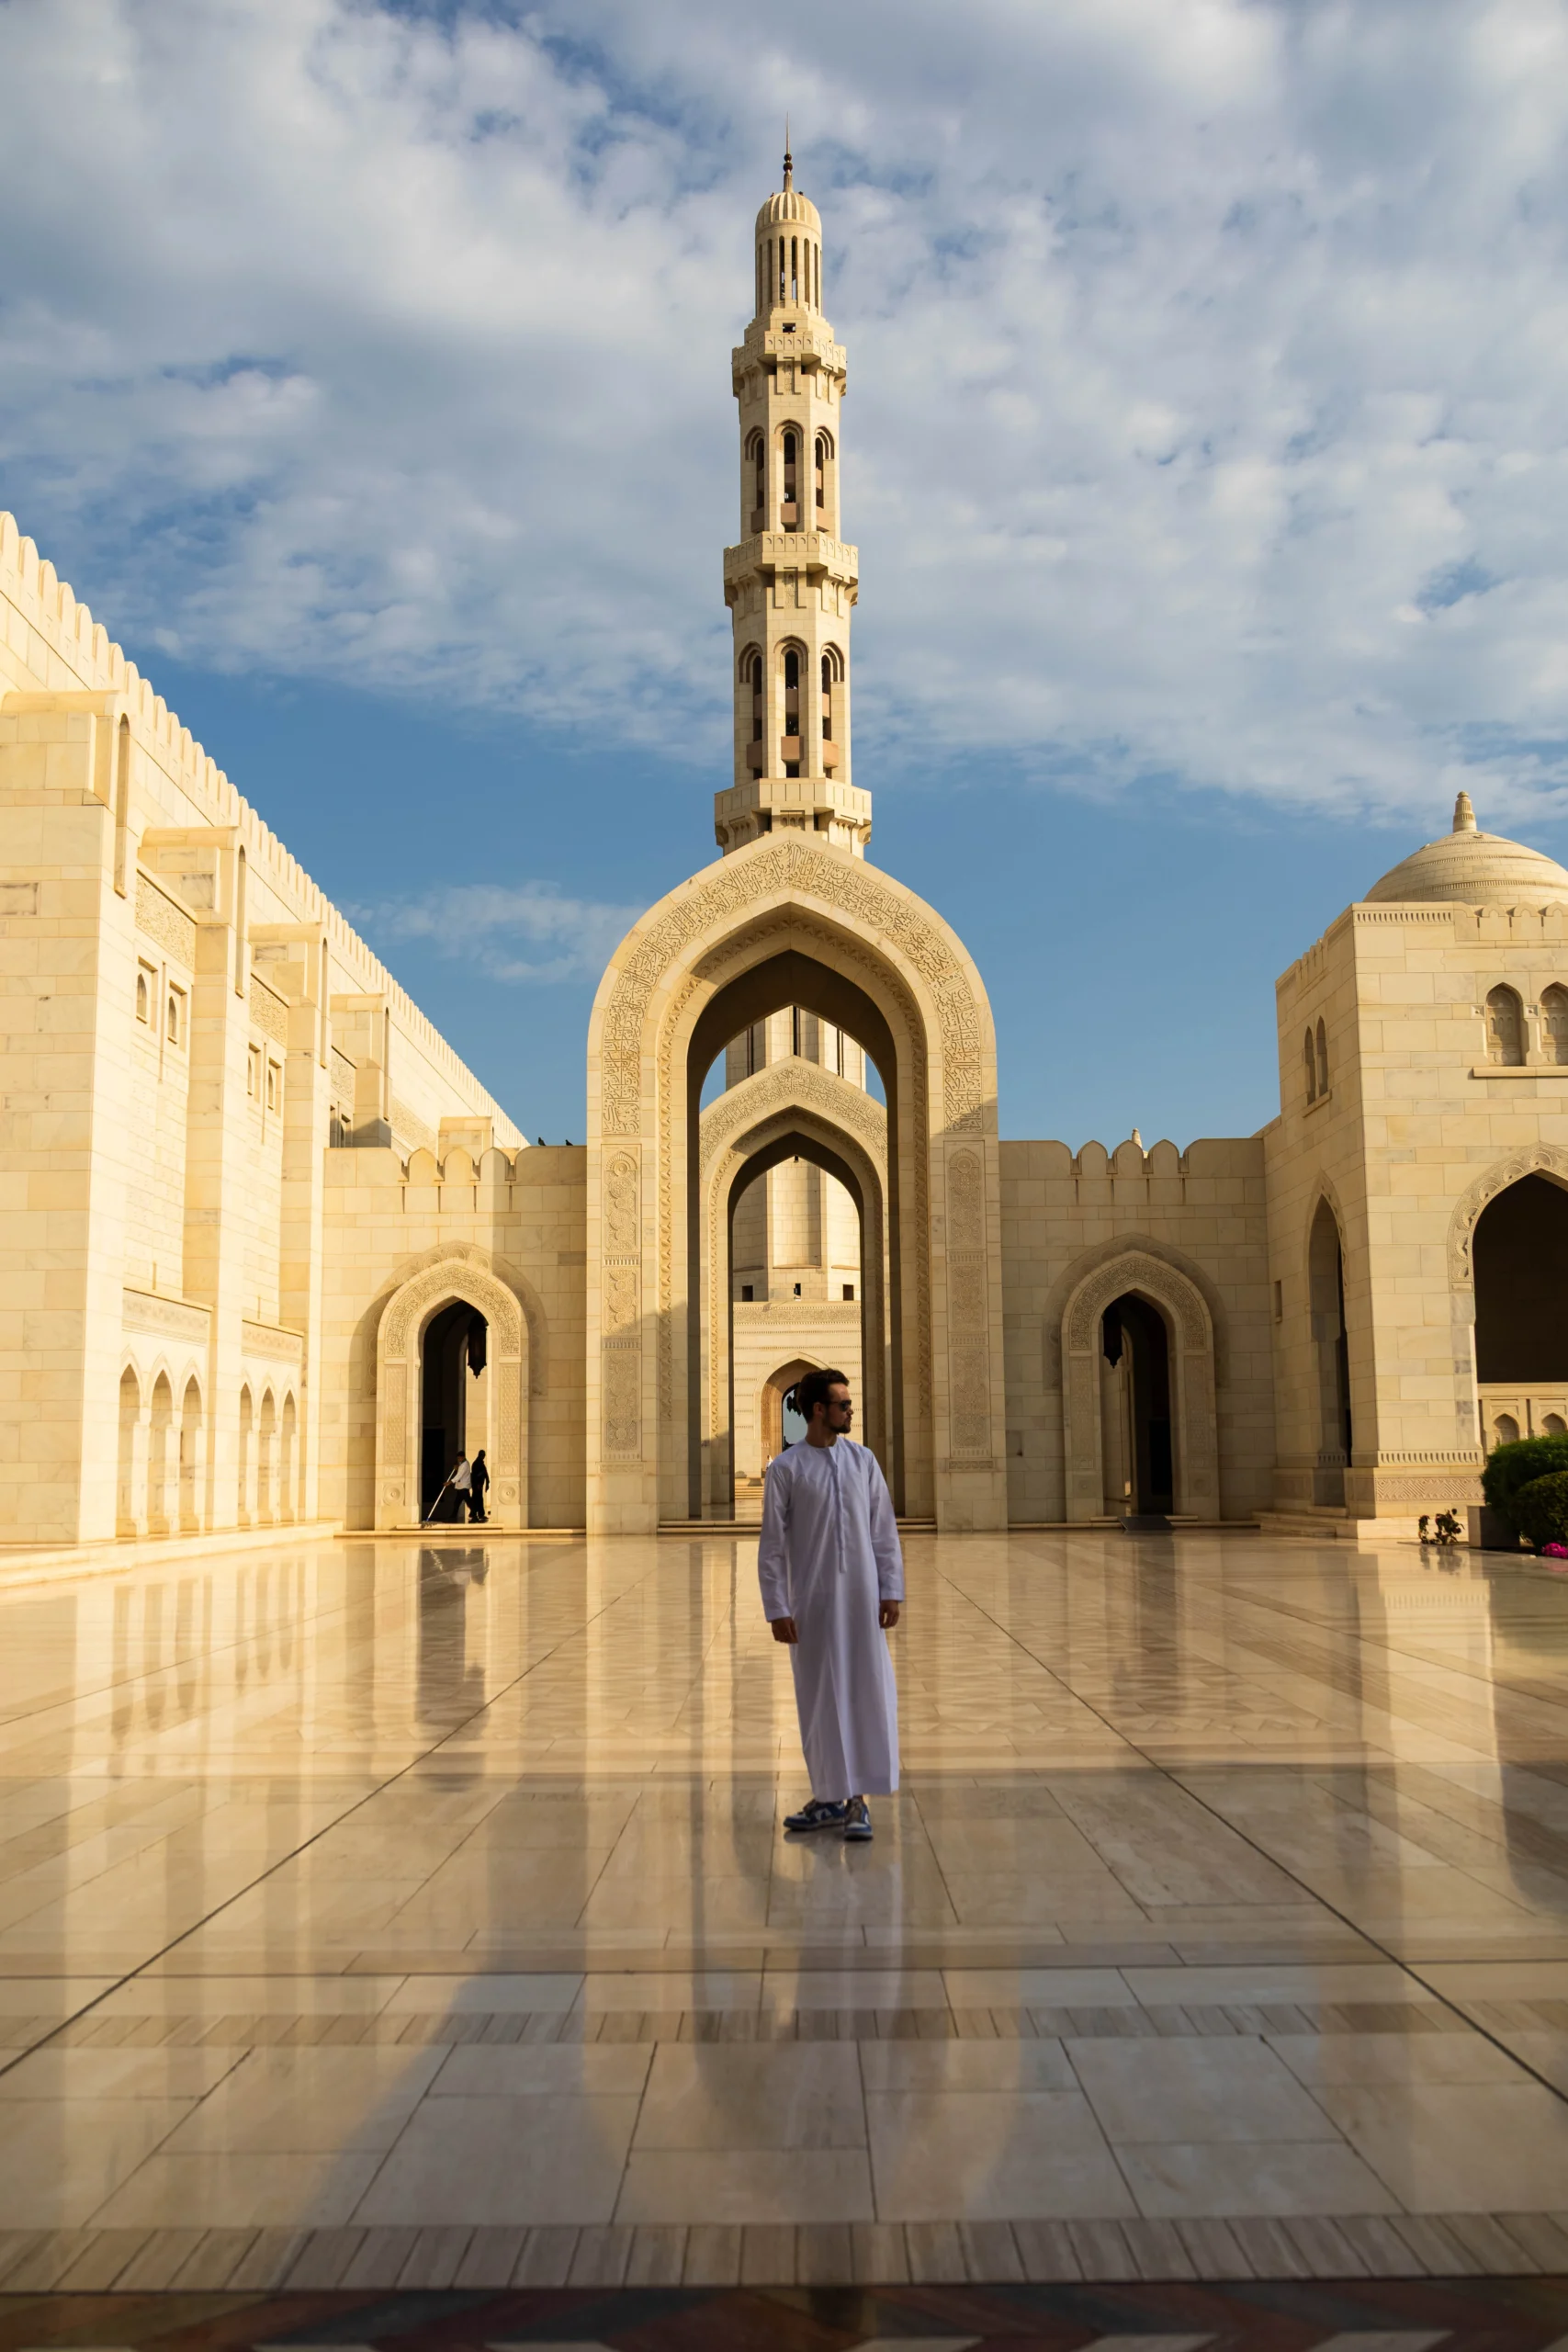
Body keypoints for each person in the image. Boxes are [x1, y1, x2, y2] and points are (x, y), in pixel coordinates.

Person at [757, 1366, 903, 1842]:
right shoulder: (786, 1469)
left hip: (862, 1604)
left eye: (849, 1404)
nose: (850, 1411)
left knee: (864, 1694)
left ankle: (858, 1801)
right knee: (820, 1701)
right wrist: (777, 1606)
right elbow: (773, 1545)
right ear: (818, 1410)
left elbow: (883, 1531)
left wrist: (890, 1589)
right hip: (813, 1605)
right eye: (843, 1405)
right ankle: (827, 1797)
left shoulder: (863, 1462)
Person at [468, 1448, 490, 1524]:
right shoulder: (477, 1463)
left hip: (479, 1485)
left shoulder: (480, 1463)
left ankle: (480, 1514)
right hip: (477, 1485)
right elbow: (475, 1475)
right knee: (477, 1499)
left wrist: (487, 1483)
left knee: (479, 1499)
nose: (483, 1456)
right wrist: (478, 1484)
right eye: (482, 1455)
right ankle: (474, 1514)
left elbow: (485, 1474)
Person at [450, 1452, 472, 1523]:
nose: (458, 1459)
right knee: (457, 1502)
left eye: (459, 1458)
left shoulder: (465, 1465)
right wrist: (457, 1468)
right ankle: (453, 1515)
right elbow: (459, 1471)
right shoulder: (462, 1464)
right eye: (458, 1458)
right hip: (461, 1487)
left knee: (468, 1502)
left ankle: (474, 1514)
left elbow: (459, 1475)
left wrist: (450, 1482)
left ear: (463, 1457)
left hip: (464, 1487)